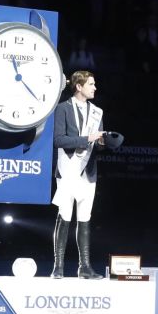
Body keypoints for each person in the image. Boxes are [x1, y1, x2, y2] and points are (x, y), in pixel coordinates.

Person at [51, 71, 106, 279]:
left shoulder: (97, 112)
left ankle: (84, 266)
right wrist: (86, 139)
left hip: (88, 171)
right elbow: (58, 140)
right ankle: (58, 266)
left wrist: (102, 142)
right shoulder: (63, 109)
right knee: (64, 216)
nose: (95, 88)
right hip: (68, 169)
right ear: (79, 87)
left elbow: (96, 142)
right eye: (91, 84)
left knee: (85, 218)